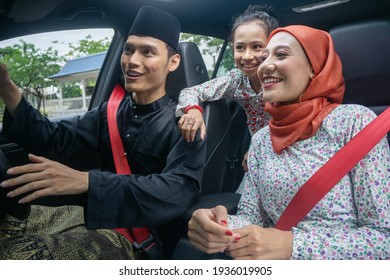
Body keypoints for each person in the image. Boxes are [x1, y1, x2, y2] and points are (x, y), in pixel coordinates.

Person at [0, 6, 206, 260]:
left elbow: (176, 190)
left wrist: (88, 181)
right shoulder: (108, 112)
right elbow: (50, 137)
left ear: (173, 62)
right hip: (93, 215)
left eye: (148, 52)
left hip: (140, 241)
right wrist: (6, 87)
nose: (132, 60)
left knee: (15, 256)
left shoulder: (186, 124)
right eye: (129, 49)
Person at [187, 25, 390, 260]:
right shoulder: (263, 139)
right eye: (265, 57)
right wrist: (219, 226)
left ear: (314, 68)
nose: (265, 66)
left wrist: (293, 245)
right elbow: (252, 219)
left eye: (281, 55)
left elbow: (383, 238)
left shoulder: (354, 122)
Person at [175, 4, 279, 171]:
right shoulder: (236, 80)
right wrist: (194, 110)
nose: (247, 56)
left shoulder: (284, 80)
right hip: (257, 157)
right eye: (240, 47)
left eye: (257, 47)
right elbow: (191, 91)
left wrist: (262, 148)